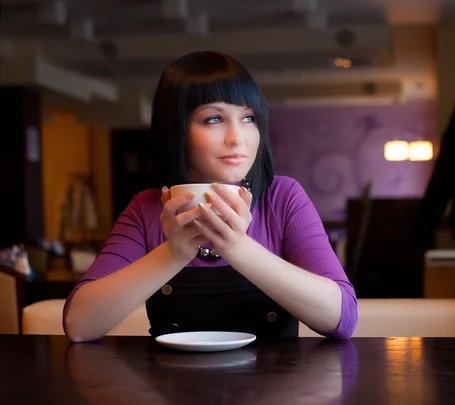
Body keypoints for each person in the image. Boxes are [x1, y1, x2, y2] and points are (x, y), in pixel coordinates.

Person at [63, 51, 358, 342]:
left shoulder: (282, 198)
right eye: (214, 119)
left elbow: (341, 319)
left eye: (248, 117)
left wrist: (238, 248)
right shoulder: (147, 208)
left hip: (275, 386)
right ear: (176, 129)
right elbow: (79, 325)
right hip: (171, 386)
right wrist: (173, 253)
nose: (236, 137)